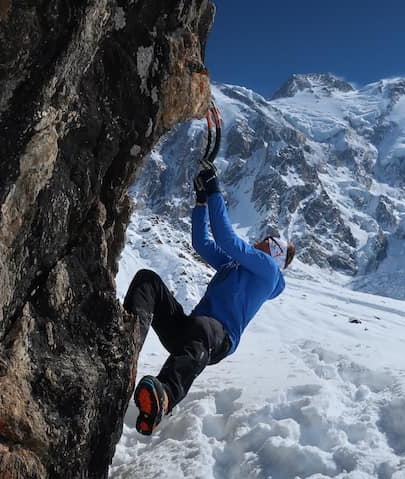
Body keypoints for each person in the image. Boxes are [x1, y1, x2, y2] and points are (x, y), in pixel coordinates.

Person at [124, 162, 295, 435]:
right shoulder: (235, 266)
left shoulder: (268, 271)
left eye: (268, 240)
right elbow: (203, 243)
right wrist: (201, 203)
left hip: (217, 339)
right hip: (194, 331)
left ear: (275, 253)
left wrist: (215, 190)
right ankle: (124, 344)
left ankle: (164, 394)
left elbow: (227, 240)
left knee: (204, 327)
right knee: (148, 282)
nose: (261, 240)